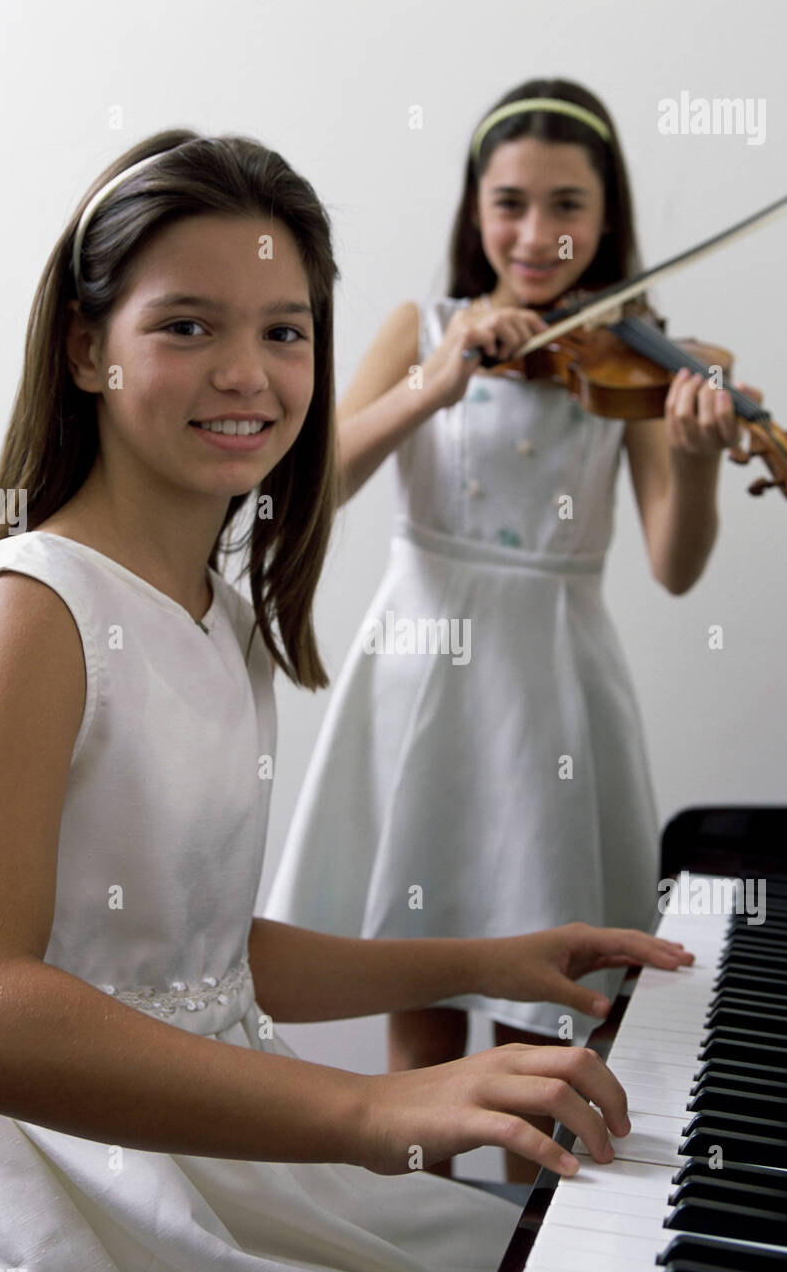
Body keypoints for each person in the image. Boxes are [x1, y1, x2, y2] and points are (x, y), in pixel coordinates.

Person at [0, 129, 695, 1272]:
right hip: (87, 1178)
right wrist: (367, 1107)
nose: (247, 374)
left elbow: (193, 963)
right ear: (83, 348)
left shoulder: (214, 607)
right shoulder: (36, 606)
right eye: (186, 324)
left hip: (228, 1146)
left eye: (285, 331)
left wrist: (490, 960)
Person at [264, 80, 756, 1182]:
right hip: (419, 687)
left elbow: (675, 567)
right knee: (418, 981)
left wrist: (698, 455)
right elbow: (315, 487)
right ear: (474, 208)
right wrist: (435, 387)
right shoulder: (424, 330)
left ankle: (528, 1245)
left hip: (553, 696)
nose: (537, 236)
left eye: (568, 205)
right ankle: (419, 1229)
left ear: (608, 214)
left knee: (546, 1014)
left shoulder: (635, 360)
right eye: (511, 203)